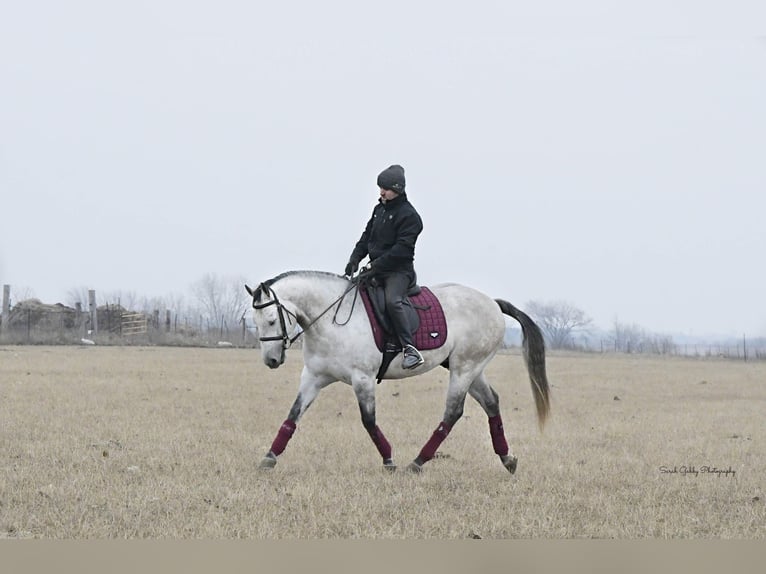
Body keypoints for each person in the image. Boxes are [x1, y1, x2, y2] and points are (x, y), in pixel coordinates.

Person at [345, 164, 425, 369]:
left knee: (392, 302)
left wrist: (375, 265)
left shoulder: (410, 216)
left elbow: (401, 251)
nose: (381, 191)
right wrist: (355, 258)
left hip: (398, 272)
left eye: (386, 188)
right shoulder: (379, 209)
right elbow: (366, 237)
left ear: (398, 189)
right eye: (380, 187)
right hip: (377, 269)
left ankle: (410, 349)